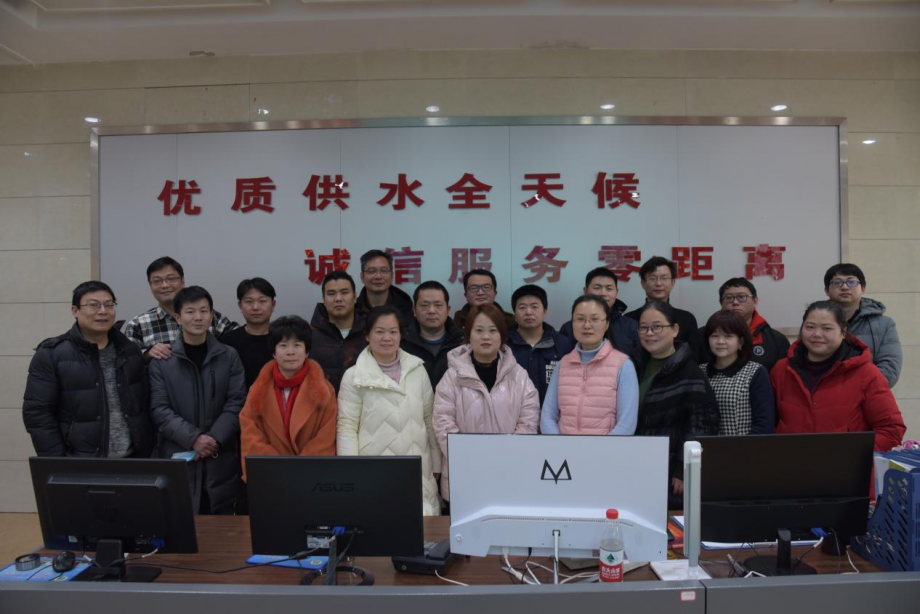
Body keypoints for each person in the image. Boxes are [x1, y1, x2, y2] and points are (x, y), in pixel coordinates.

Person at [23, 281, 155, 458]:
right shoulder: (52, 354)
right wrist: (57, 461)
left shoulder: (129, 350)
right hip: (79, 462)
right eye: (94, 305)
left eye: (109, 305)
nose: (103, 311)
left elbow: (144, 405)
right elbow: (38, 414)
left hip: (133, 459)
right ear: (75, 311)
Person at [149, 286, 246, 515]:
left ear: (212, 316)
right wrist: (194, 438)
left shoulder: (228, 355)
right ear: (178, 317)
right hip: (178, 455)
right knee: (180, 522)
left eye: (204, 311)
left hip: (220, 456)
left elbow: (236, 402)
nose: (198, 317)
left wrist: (212, 439)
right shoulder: (162, 361)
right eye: (190, 311)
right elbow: (159, 409)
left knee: (220, 526)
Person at [337, 306, 441, 516]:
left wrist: (436, 463)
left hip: (418, 467)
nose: (387, 338)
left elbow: (429, 419)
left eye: (393, 331)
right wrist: (350, 470)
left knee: (422, 526)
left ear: (401, 335)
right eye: (379, 331)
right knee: (377, 524)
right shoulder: (354, 376)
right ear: (367, 335)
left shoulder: (417, 369)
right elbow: (347, 427)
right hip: (372, 469)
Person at [434, 304, 539, 502]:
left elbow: (529, 422)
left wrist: (503, 456)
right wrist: (473, 458)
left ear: (502, 335)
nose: (486, 337)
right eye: (479, 330)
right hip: (464, 474)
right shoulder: (452, 377)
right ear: (469, 334)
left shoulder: (519, 376)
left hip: (510, 472)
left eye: (493, 330)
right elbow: (443, 424)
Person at [770, 300, 905, 453]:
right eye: (810, 327)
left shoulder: (866, 373)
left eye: (827, 328)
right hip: (791, 464)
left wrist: (853, 456)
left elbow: (891, 429)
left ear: (843, 332)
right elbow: (767, 425)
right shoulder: (781, 370)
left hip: (848, 466)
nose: (817, 334)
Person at [632, 301, 719, 505]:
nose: (649, 333)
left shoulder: (690, 372)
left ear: (675, 330)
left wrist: (683, 468)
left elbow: (701, 425)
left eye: (657, 327)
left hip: (670, 471)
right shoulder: (633, 365)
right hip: (636, 462)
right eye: (644, 327)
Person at [239, 316, 337, 482]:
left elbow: (325, 439)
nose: (290, 352)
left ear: (306, 351)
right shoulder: (257, 391)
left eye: (297, 345)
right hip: (271, 478)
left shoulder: (325, 391)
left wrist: (297, 473)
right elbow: (251, 437)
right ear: (273, 352)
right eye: (283, 345)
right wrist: (281, 470)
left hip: (310, 479)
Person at [541, 295, 638, 435]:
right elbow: (547, 416)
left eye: (595, 319)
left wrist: (600, 448)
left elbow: (626, 424)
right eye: (580, 319)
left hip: (606, 448)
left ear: (607, 324)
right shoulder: (563, 364)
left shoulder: (623, 365)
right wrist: (559, 444)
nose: (587, 325)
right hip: (563, 448)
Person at [124, 256, 237, 360]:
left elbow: (239, 339)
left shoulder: (210, 317)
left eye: (171, 279)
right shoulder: (138, 324)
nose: (165, 285)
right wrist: (146, 354)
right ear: (150, 285)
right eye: (157, 281)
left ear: (182, 281)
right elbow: (126, 360)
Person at [824, 263, 902, 388]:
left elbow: (890, 368)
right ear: (827, 290)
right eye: (837, 282)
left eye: (852, 282)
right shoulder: (814, 322)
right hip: (825, 393)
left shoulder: (885, 324)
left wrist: (856, 390)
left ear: (863, 288)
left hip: (868, 395)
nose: (845, 287)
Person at [699, 311, 774, 436]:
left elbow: (764, 424)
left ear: (741, 341)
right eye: (714, 336)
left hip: (744, 446)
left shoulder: (755, 372)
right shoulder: (700, 372)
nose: (720, 341)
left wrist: (741, 447)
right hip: (704, 446)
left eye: (728, 336)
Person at [697, 277, 789, 373]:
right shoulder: (702, 335)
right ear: (721, 303)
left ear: (755, 301)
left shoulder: (777, 340)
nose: (735, 302)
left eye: (742, 297)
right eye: (729, 298)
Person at [507, 284, 573, 406]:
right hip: (514, 414)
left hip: (554, 414)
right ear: (515, 314)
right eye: (522, 307)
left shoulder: (563, 344)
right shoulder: (505, 345)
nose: (528, 312)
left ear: (545, 312)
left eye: (534, 307)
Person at [625, 256, 700, 361]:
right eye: (652, 278)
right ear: (643, 283)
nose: (658, 283)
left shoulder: (687, 319)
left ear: (672, 283)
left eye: (664, 278)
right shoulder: (628, 320)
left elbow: (694, 358)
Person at [310, 270, 368, 394]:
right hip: (322, 404)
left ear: (355, 297)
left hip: (362, 404)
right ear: (324, 299)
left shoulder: (370, 333)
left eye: (344, 293)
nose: (338, 299)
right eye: (331, 294)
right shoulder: (309, 335)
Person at [560, 267, 639, 355]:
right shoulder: (568, 328)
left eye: (609, 289)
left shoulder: (631, 326)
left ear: (616, 292)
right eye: (597, 288)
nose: (603, 293)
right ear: (585, 291)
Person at [400, 280, 464, 389]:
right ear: (414, 310)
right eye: (424, 305)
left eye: (438, 305)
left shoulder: (462, 343)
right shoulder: (401, 343)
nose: (431, 311)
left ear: (448, 309)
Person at [219, 277, 276, 389]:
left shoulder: (283, 340)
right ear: (240, 306)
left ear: (273, 305)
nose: (255, 307)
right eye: (249, 301)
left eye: (262, 301)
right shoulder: (227, 342)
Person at [355, 249, 414, 322]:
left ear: (392, 276)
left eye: (384, 270)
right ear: (362, 277)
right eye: (371, 271)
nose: (378, 276)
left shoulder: (404, 305)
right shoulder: (354, 307)